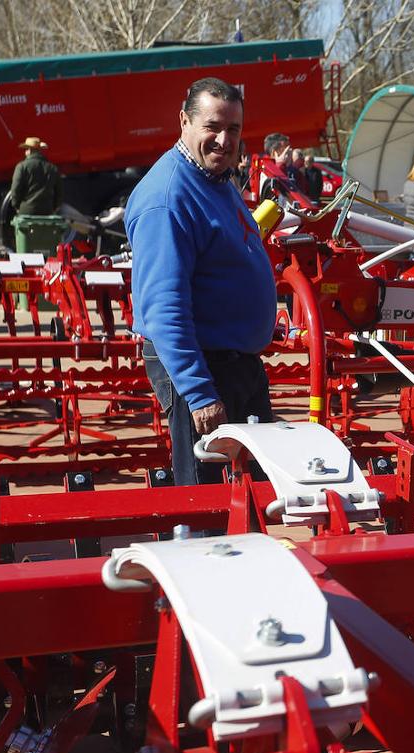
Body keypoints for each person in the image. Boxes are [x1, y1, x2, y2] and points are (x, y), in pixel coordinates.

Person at [127, 77, 277, 486]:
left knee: (259, 493)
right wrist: (199, 393)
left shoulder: (214, 180)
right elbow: (165, 308)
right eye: (212, 127)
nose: (224, 141)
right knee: (207, 499)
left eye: (233, 129)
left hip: (235, 364)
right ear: (184, 122)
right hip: (203, 371)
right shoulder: (167, 198)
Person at [10, 137, 62, 215]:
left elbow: (15, 189)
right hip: (47, 211)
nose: (25, 152)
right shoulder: (53, 168)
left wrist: (16, 206)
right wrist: (54, 208)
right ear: (40, 151)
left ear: (29, 150)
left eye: (26, 149)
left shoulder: (21, 166)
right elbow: (59, 192)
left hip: (26, 210)